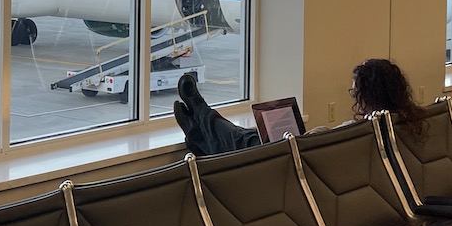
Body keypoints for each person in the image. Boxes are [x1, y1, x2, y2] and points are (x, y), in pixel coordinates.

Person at [174, 59, 426, 157]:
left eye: (354, 92)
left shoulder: (355, 132)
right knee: (249, 137)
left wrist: (304, 137)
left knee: (241, 140)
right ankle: (198, 133)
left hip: (293, 166)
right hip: (303, 156)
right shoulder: (404, 122)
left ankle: (200, 112)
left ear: (366, 96)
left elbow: (316, 143)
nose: (353, 98)